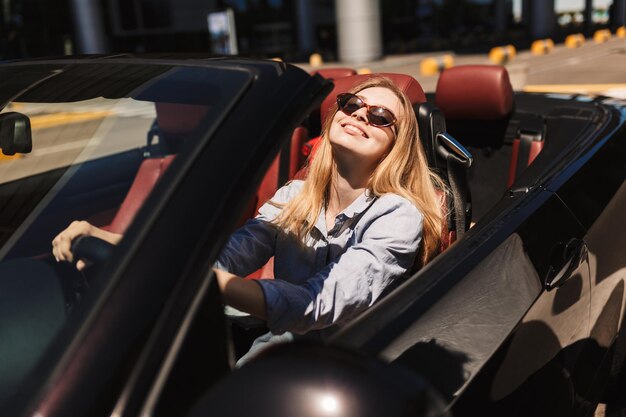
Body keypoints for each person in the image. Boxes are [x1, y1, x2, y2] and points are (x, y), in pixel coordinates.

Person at [52, 75, 445, 363]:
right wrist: (116, 243)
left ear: (398, 145)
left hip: (352, 361)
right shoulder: (296, 195)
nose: (360, 115)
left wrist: (198, 278)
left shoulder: (398, 213)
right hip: (286, 341)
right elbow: (227, 255)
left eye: (379, 116)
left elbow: (318, 305)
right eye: (351, 104)